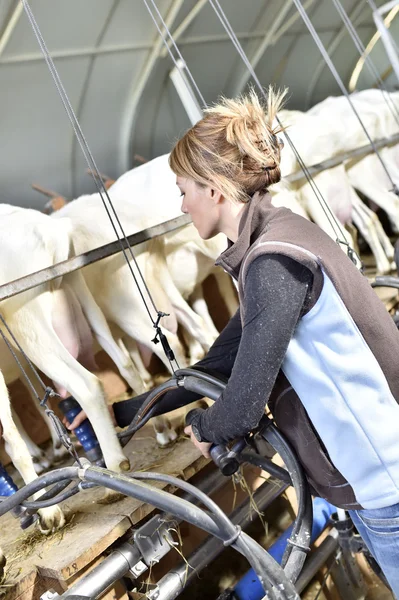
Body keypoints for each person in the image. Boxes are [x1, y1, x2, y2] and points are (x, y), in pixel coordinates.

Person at [67, 89, 399, 595]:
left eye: (184, 190)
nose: (181, 205)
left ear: (215, 190)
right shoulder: (275, 242)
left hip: (388, 480)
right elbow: (222, 361)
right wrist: (124, 412)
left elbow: (241, 405)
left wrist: (206, 425)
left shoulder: (273, 262)